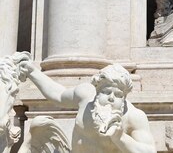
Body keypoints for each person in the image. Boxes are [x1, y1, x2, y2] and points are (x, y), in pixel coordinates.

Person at [18, 58, 156, 153]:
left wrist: (120, 138)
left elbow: (150, 151)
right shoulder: (85, 96)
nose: (111, 98)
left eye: (118, 95)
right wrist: (33, 72)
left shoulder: (133, 116)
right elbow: (59, 94)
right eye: (106, 92)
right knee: (38, 124)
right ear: (97, 91)